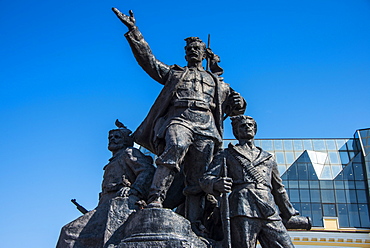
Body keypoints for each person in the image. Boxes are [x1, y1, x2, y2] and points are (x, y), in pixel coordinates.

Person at [112, 8, 246, 231]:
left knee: (197, 178)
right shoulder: (175, 74)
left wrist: (239, 101)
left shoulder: (219, 83)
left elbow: (237, 108)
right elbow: (149, 62)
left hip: (206, 124)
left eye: (197, 49)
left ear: (204, 54)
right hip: (180, 118)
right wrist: (134, 31)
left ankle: (193, 224)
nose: (193, 51)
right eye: (189, 49)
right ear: (185, 54)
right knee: (176, 145)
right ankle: (155, 197)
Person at [200, 116, 298, 248]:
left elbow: (279, 188)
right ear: (236, 131)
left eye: (250, 125)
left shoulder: (268, 158)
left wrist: (289, 213)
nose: (247, 127)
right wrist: (217, 183)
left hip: (268, 208)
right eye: (242, 126)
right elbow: (205, 178)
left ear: (255, 129)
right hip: (242, 207)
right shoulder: (227, 154)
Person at [56, 120, 155, 248]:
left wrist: (135, 190)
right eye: (110, 137)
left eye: (117, 137)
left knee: (69, 232)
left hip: (119, 203)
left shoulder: (129, 152)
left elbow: (147, 170)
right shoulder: (114, 160)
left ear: (125, 140)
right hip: (105, 204)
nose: (112, 139)